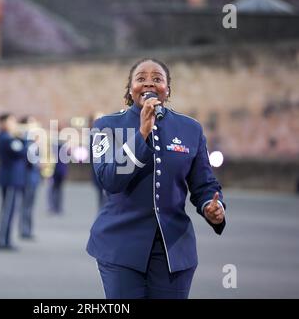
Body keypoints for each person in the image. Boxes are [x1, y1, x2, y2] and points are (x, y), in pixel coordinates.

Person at [87, 58, 226, 299]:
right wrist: (142, 133)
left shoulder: (190, 128)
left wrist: (212, 207)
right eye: (141, 78)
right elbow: (109, 180)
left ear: (167, 89)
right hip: (120, 247)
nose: (149, 83)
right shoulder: (106, 126)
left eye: (157, 79)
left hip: (174, 249)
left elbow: (204, 184)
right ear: (130, 89)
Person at [0, 113, 27, 250]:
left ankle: (5, 239)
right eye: (11, 121)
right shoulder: (6, 138)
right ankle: (3, 240)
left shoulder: (9, 137)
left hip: (12, 178)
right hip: (10, 179)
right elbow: (22, 152)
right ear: (4, 123)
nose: (14, 124)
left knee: (10, 210)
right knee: (8, 211)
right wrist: (26, 139)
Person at [19, 115, 42, 239]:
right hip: (28, 177)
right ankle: (25, 229)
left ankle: (27, 229)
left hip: (33, 177)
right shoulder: (27, 141)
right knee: (26, 205)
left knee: (29, 205)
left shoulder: (32, 141)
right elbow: (31, 160)